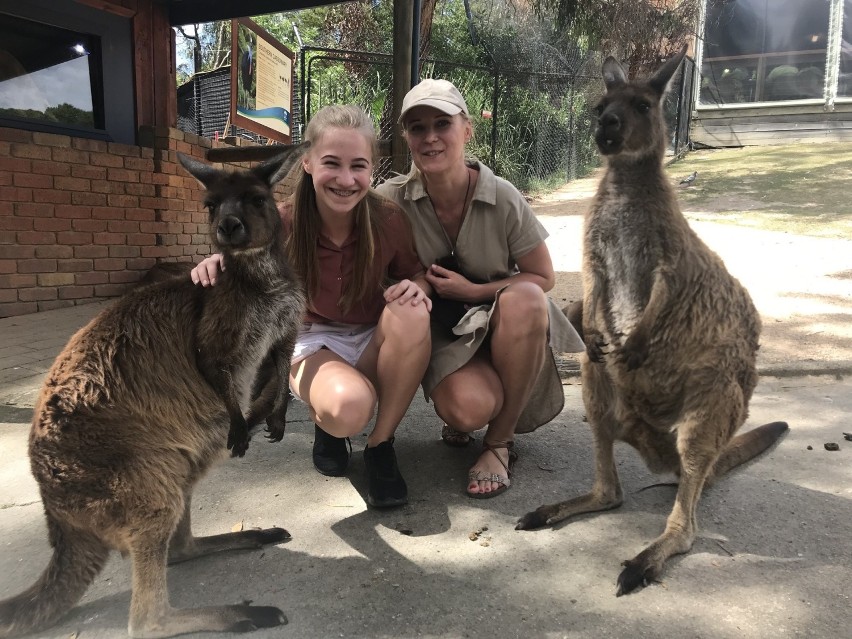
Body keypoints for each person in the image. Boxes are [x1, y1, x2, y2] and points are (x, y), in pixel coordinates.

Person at [190, 104, 432, 509]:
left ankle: (380, 445)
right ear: (306, 162)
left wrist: (415, 286)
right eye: (331, 163)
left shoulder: (389, 218)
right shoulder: (278, 221)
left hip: (373, 335)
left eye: (358, 166)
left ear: (372, 168)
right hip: (311, 340)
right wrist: (217, 263)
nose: (345, 179)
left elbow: (418, 274)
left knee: (413, 313)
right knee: (347, 408)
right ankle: (330, 422)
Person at [375, 79, 585, 499]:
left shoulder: (503, 196)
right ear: (406, 138)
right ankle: (467, 408)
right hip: (442, 332)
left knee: (527, 298)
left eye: (442, 123)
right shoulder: (388, 200)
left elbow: (543, 277)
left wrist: (472, 292)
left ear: (466, 130)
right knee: (468, 409)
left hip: (502, 324)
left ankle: (499, 444)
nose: (430, 137)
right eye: (417, 127)